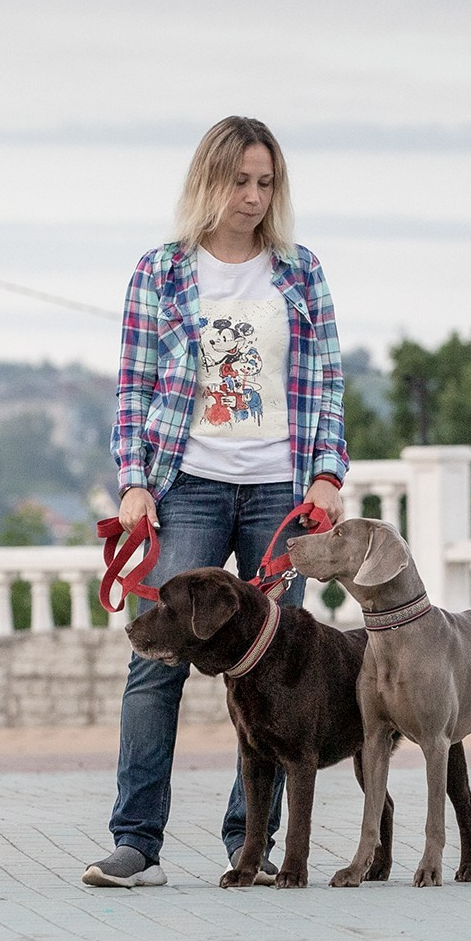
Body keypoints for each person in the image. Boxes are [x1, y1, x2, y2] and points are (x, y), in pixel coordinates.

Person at [83, 115, 347, 889]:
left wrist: (327, 474)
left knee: (274, 670)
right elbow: (132, 389)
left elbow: (329, 384)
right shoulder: (161, 272)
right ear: (210, 180)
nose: (254, 197)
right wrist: (134, 480)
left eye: (266, 183)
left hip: (280, 490)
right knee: (156, 662)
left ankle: (250, 843)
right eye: (240, 181)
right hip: (188, 482)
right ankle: (137, 841)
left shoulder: (301, 272)